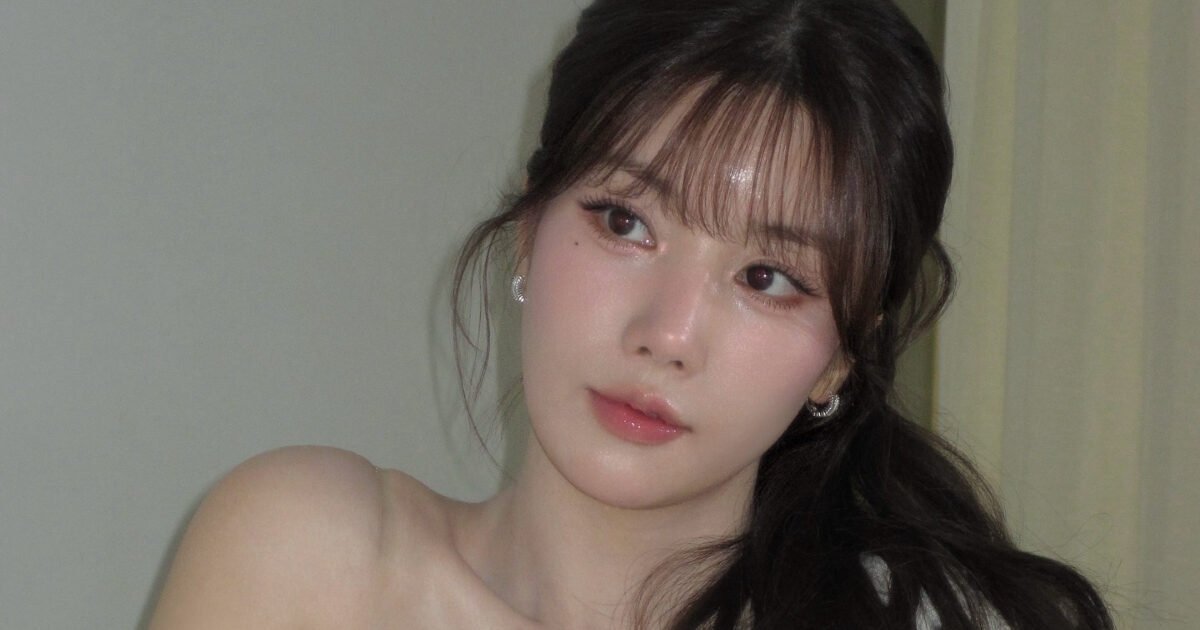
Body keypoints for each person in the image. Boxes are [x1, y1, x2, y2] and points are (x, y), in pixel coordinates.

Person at [148, 0, 1113, 628]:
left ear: (838, 360)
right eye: (626, 222)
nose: (668, 334)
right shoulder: (306, 558)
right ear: (529, 227)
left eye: (768, 278)